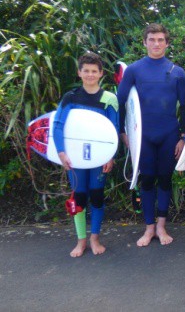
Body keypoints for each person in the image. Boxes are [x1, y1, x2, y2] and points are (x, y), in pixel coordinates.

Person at [117, 23, 185, 247]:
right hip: (143, 136)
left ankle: (161, 226)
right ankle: (148, 229)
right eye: (152, 39)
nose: (156, 44)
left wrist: (184, 137)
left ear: (167, 43)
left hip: (168, 134)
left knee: (165, 180)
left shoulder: (177, 72)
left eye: (160, 40)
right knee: (147, 180)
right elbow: (121, 103)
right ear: (145, 42)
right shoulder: (134, 70)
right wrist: (123, 132)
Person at [54, 52, 119, 257]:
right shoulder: (71, 97)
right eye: (86, 71)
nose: (90, 75)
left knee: (97, 197)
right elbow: (58, 125)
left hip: (99, 158)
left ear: (101, 74)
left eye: (94, 71)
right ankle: (81, 240)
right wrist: (61, 152)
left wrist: (110, 155)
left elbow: (114, 130)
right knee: (79, 197)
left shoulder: (109, 99)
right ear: (79, 73)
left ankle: (95, 238)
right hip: (76, 159)